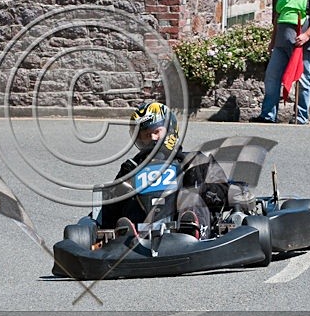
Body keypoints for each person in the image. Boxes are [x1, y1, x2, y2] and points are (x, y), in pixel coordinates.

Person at [96, 101, 228, 239]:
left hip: (188, 237)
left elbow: (222, 194)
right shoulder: (132, 167)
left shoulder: (195, 160)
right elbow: (108, 210)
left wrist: (199, 183)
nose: (153, 138)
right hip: (140, 234)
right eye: (146, 135)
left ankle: (188, 228)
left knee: (189, 196)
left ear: (170, 129)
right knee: (131, 203)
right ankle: (127, 236)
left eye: (156, 131)